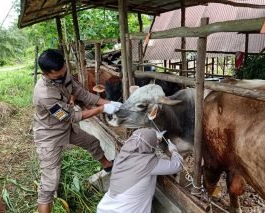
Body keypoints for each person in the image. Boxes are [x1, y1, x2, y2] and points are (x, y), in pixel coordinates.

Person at [33, 49, 122, 213]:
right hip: (49, 134)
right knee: (50, 182)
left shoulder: (63, 74)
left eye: (63, 70)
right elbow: (69, 117)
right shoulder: (44, 94)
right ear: (46, 73)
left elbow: (81, 93)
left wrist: (109, 102)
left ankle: (109, 166)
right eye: (57, 74)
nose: (62, 75)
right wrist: (102, 108)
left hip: (66, 127)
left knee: (92, 143)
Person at [97, 128, 183, 213]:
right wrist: (174, 150)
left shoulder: (122, 155)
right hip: (126, 210)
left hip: (107, 207)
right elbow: (178, 166)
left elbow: (141, 143)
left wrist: (155, 141)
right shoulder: (148, 163)